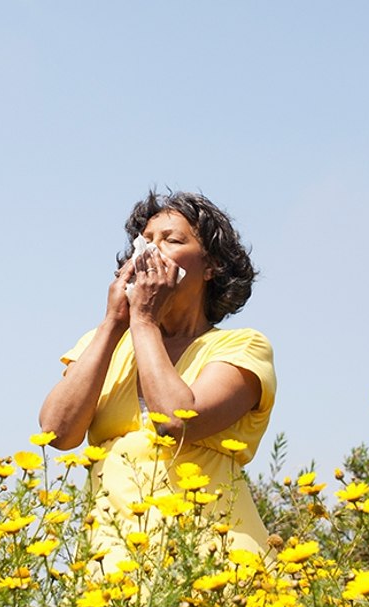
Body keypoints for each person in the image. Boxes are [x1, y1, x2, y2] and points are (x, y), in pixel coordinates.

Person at [38, 190, 275, 574]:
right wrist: (114, 323)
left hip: (210, 561)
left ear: (211, 266)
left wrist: (145, 320)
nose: (152, 250)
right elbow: (57, 432)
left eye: (172, 240)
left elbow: (178, 421)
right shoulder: (106, 343)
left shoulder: (242, 346)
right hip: (111, 563)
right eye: (146, 240)